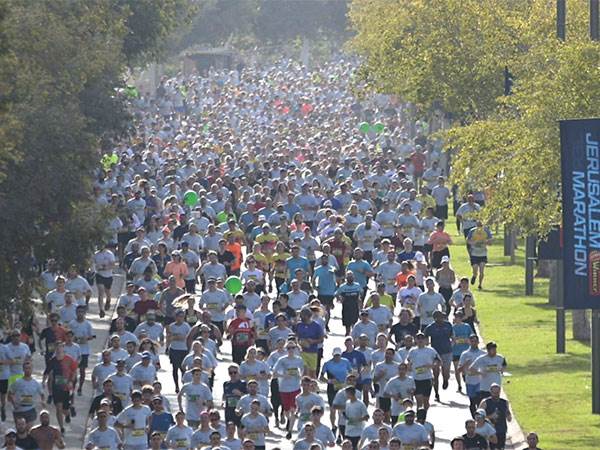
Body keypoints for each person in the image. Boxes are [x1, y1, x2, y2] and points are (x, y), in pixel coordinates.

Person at [272, 341, 304, 439]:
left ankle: (289, 430)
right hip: (284, 387)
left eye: (293, 348)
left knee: (293, 409)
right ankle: (289, 419)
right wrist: (284, 375)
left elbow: (302, 370)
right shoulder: (282, 360)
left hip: (296, 387)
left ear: (296, 349)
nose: (291, 350)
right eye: (289, 348)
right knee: (286, 410)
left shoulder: (299, 360)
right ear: (286, 349)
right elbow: (274, 372)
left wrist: (300, 375)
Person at [46, 342, 78, 433]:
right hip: (56, 388)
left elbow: (74, 371)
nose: (58, 350)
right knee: (58, 408)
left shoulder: (69, 359)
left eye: (60, 348)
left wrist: (71, 381)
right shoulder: (53, 360)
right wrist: (50, 390)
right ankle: (61, 427)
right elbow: (49, 373)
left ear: (63, 348)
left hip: (66, 388)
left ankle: (68, 414)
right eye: (57, 348)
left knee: (65, 409)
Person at [424, 310, 453, 402]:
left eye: (441, 317)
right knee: (435, 374)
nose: (440, 319)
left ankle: (445, 379)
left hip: (447, 351)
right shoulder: (430, 327)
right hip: (435, 353)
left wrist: (452, 343)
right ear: (434, 318)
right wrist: (426, 346)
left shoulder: (448, 325)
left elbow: (452, 336)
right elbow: (425, 337)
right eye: (438, 317)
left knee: (446, 371)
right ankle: (437, 393)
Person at [406, 333, 440, 410]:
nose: (420, 340)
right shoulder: (412, 350)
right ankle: (419, 416)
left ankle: (424, 415)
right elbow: (407, 360)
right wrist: (408, 365)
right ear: (415, 340)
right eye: (418, 339)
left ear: (425, 340)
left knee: (426, 401)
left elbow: (438, 361)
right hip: (416, 378)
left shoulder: (431, 350)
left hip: (427, 378)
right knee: (419, 400)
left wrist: (431, 366)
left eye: (422, 339)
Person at [8, 361, 45, 426]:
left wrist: (43, 401)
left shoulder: (36, 383)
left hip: (30, 409)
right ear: (23, 369)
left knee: (29, 430)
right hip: (19, 410)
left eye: (29, 368)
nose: (28, 370)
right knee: (21, 431)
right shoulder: (18, 382)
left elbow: (42, 394)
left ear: (32, 369)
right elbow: (10, 394)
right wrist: (14, 403)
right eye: (26, 368)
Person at [479, 384, 512, 450]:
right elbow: (478, 418)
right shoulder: (485, 402)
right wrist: (490, 416)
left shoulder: (505, 402)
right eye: (494, 393)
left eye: (497, 392)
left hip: (501, 430)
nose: (496, 395)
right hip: (489, 430)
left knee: (501, 448)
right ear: (490, 392)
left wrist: (508, 415)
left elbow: (509, 419)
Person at [335, 271, 363, 336]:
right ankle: (348, 337)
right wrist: (340, 299)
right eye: (348, 277)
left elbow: (361, 292)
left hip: (354, 307)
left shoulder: (357, 285)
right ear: (346, 278)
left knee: (354, 323)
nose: (350, 278)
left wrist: (359, 300)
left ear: (353, 277)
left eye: (351, 277)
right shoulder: (343, 286)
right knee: (347, 326)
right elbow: (336, 294)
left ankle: (354, 336)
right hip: (346, 308)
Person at [466, 221, 492, 289]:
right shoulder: (472, 231)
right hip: (474, 253)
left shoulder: (486, 231)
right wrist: (474, 243)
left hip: (483, 254)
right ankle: (474, 276)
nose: (479, 225)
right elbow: (468, 241)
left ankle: (480, 284)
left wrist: (485, 242)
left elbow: (490, 242)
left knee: (482, 270)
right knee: (475, 269)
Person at [93, 243, 116, 317]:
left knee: (107, 291)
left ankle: (108, 300)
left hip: (108, 275)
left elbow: (113, 264)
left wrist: (105, 268)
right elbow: (93, 264)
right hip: (99, 275)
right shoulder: (96, 254)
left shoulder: (109, 254)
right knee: (101, 291)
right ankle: (101, 310)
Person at [343, 386, 368, 450]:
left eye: (346, 393)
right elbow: (347, 415)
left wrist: (356, 420)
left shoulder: (360, 404)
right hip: (348, 431)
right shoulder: (347, 403)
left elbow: (366, 417)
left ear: (351, 393)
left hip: (358, 432)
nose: (345, 395)